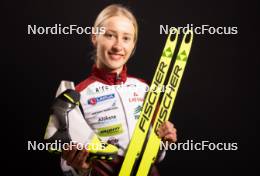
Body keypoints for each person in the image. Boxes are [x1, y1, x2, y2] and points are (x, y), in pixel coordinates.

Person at [60, 4, 177, 176]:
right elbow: (66, 163)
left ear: (133, 44)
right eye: (109, 35)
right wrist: (78, 167)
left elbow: (156, 155)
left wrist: (163, 141)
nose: (118, 46)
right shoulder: (77, 95)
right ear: (95, 37)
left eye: (126, 38)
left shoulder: (143, 89)